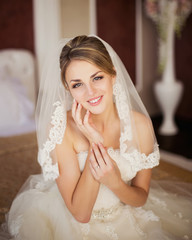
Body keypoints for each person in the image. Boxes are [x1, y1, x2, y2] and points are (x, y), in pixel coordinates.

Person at [1, 35, 192, 240]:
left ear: (113, 75)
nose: (90, 92)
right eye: (77, 84)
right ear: (68, 89)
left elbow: (140, 198)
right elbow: (80, 214)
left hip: (125, 214)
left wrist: (115, 182)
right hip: (71, 222)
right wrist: (95, 143)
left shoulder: (140, 125)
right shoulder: (60, 129)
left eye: (97, 77)